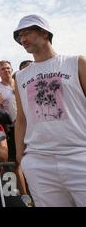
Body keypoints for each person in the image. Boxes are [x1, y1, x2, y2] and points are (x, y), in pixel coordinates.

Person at [13, 14, 86, 206]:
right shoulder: (20, 76)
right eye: (20, 36)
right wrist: (21, 156)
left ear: (44, 33)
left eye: (27, 33)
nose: (23, 39)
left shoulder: (76, 62)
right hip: (39, 161)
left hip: (79, 154)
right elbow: (21, 119)